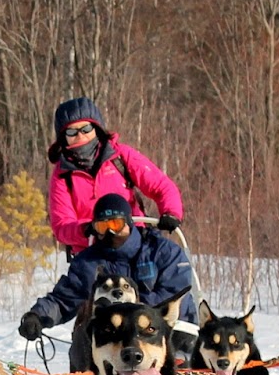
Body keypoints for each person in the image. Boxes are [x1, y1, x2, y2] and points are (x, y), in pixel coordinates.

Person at [18, 193, 196, 344]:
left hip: (168, 334)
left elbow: (175, 295)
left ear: (129, 222)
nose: (111, 233)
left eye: (115, 225)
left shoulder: (161, 251)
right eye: (103, 227)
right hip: (117, 342)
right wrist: (37, 316)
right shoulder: (88, 262)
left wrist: (128, 307)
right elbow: (63, 299)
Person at [47, 96, 184, 257]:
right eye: (72, 131)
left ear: (96, 128)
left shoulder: (121, 156)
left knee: (171, 268)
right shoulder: (62, 176)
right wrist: (88, 230)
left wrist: (171, 213)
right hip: (91, 253)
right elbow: (62, 226)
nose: (80, 136)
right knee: (75, 282)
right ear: (63, 138)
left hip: (134, 246)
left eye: (86, 128)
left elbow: (162, 186)